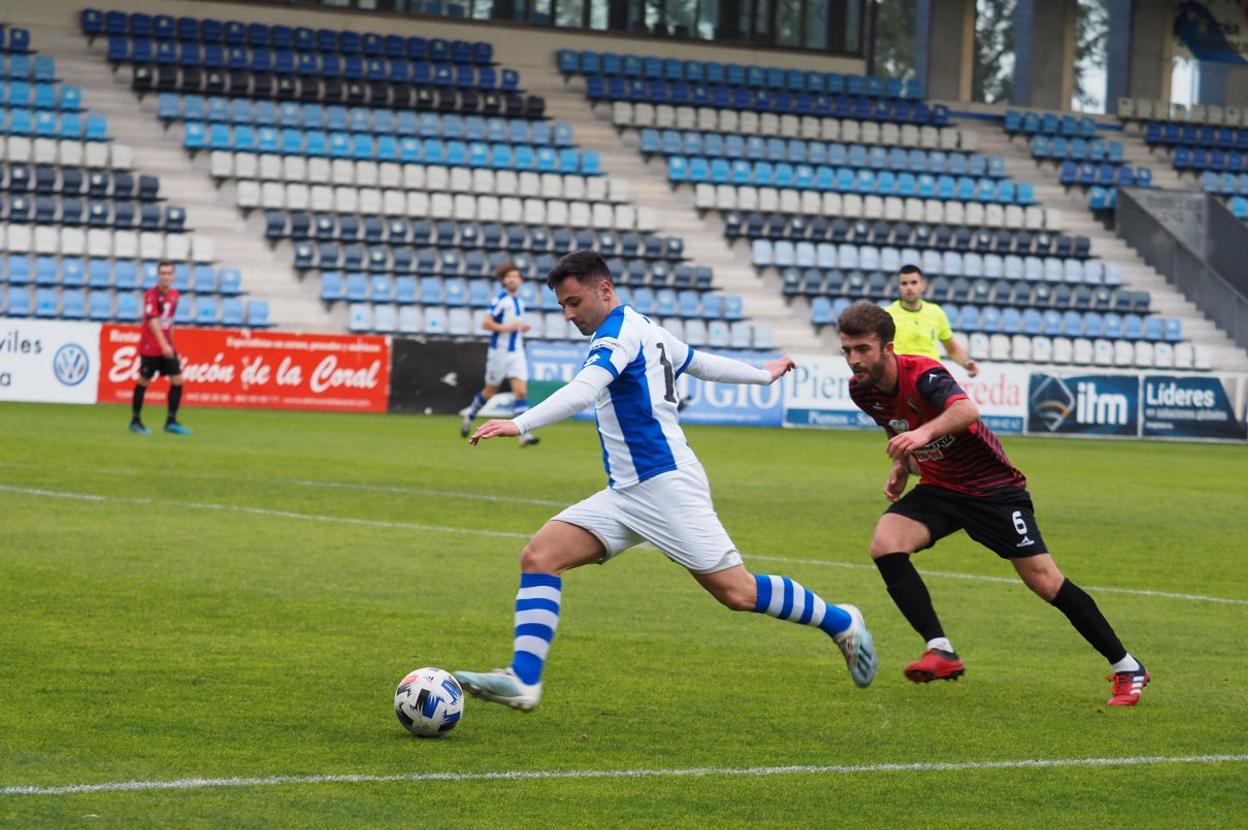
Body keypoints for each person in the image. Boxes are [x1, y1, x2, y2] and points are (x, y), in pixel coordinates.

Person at [454, 251, 876, 711]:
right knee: (540, 556)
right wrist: (761, 374)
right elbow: (700, 362)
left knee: (738, 592)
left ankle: (841, 621)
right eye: (563, 306)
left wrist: (521, 423)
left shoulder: (616, 336)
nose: (570, 314)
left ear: (605, 290)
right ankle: (524, 679)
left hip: (666, 487)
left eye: (575, 302)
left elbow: (583, 390)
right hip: (626, 492)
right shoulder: (645, 327)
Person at [836, 301, 1148, 706]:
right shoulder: (862, 390)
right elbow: (897, 428)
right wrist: (901, 464)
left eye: (862, 349)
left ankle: (1127, 666)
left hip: (993, 491)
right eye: (847, 350)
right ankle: (941, 649)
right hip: (941, 487)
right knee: (885, 544)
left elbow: (967, 411)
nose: (853, 360)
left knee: (1045, 582)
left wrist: (921, 436)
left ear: (888, 348)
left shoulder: (925, 374)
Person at [460, 261, 539, 447]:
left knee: (520, 392)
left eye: (515, 276)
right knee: (489, 391)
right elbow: (486, 323)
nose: (512, 279)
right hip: (499, 353)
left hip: (516, 351)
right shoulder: (500, 300)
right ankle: (470, 416)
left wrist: (520, 329)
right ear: (503, 280)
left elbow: (514, 327)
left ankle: (524, 435)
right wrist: (508, 328)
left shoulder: (519, 301)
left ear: (520, 280)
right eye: (509, 276)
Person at [130, 260, 191, 436]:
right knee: (144, 381)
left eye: (169, 273)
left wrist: (170, 343)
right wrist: (163, 344)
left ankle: (171, 421)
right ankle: (135, 421)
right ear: (159, 275)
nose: (166, 276)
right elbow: (152, 321)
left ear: (173, 275)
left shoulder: (175, 295)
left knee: (178, 380)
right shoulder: (151, 295)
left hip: (166, 346)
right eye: (163, 273)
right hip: (150, 346)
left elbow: (169, 320)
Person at [885, 264, 979, 377]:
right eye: (904, 283)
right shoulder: (887, 314)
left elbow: (952, 349)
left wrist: (966, 363)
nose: (909, 287)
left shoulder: (936, 312)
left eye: (914, 283)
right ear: (898, 287)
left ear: (923, 285)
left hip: (931, 373)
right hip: (901, 375)